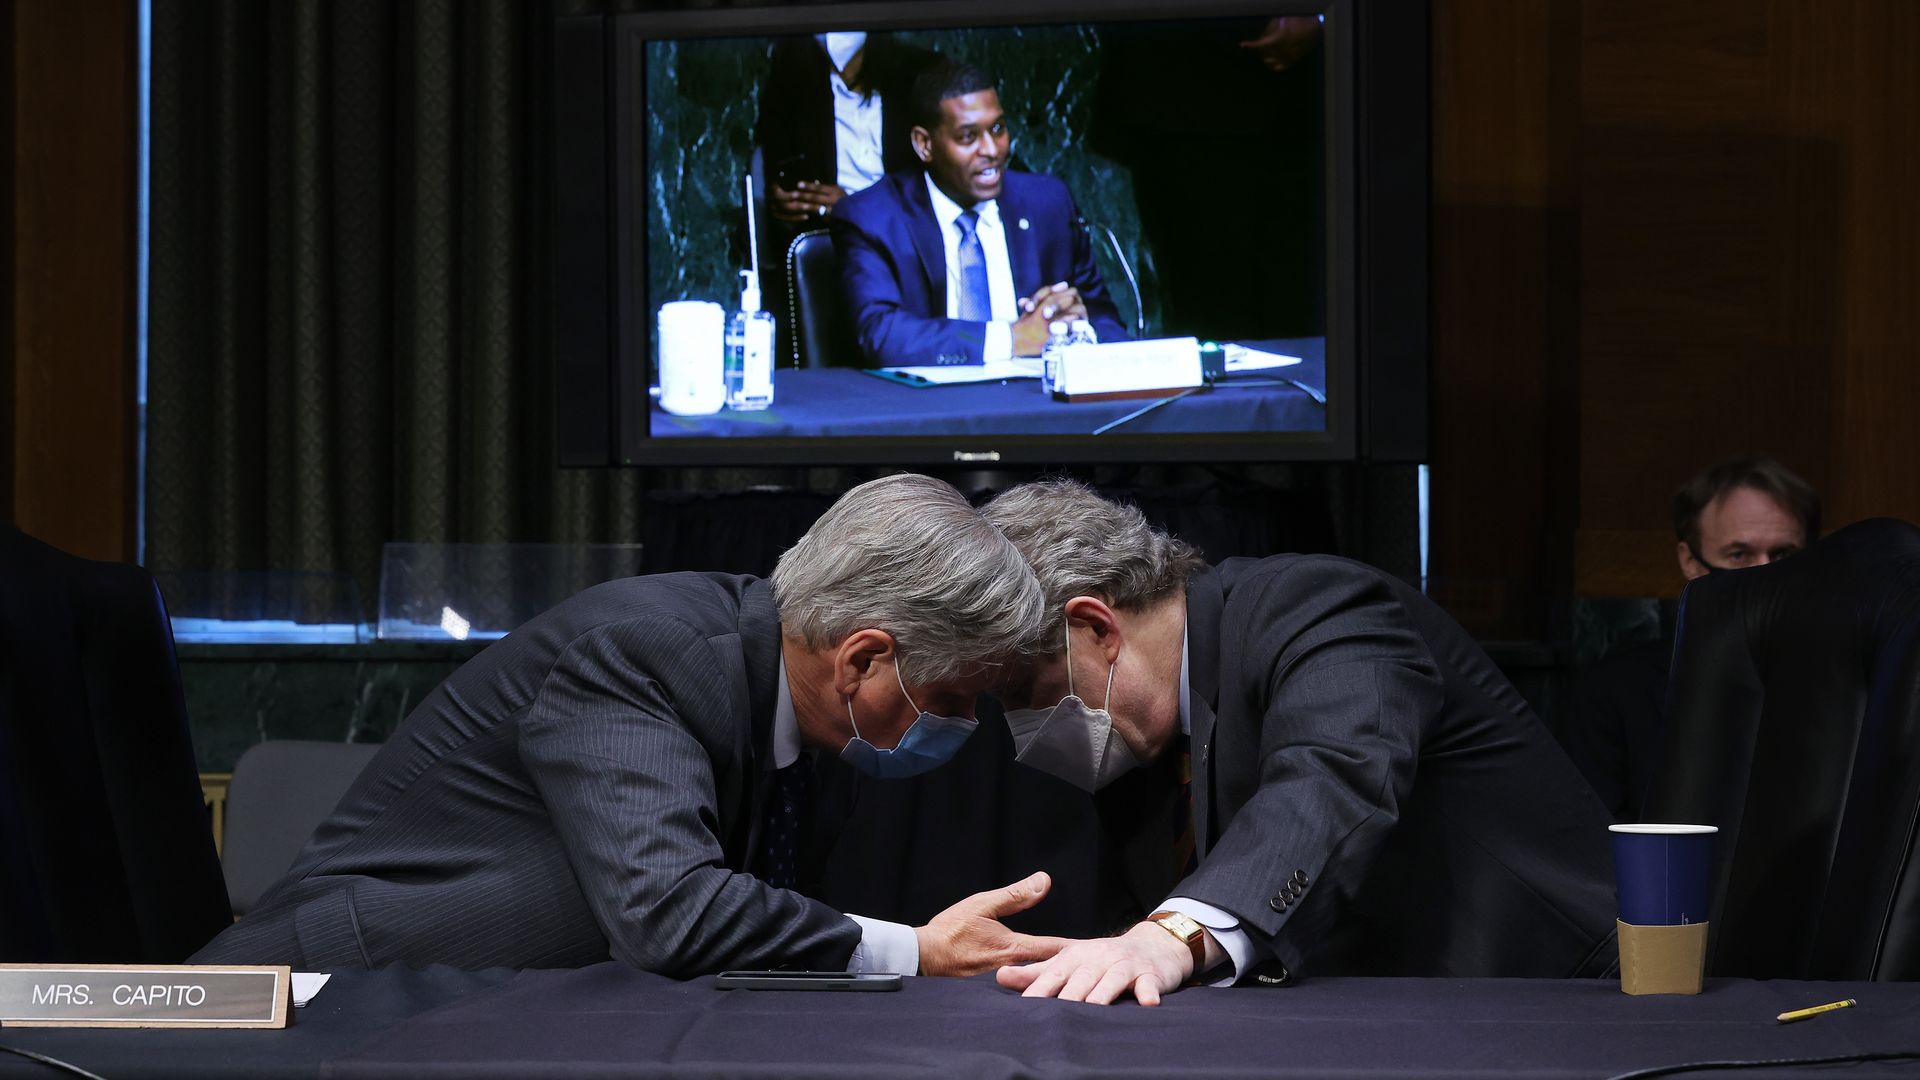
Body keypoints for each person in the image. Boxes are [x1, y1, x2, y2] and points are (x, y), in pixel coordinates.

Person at [193, 474, 1068, 978]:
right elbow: (671, 911)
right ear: (863, 659)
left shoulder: (805, 718)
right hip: (317, 1002)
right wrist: (912, 950)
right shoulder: (647, 654)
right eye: (953, 697)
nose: (960, 726)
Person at [979, 479, 1617, 1004]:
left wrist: (1168, 937)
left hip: (1555, 1000)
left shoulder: (1315, 606)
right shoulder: (1142, 734)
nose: (1021, 727)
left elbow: (1330, 781)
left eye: (1022, 690)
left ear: (1095, 626)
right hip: (1377, 1012)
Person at [1561, 455, 1819, 820]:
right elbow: (1590, 851)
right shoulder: (1616, 695)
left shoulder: (1846, 683)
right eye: (1739, 554)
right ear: (1690, 561)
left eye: (1782, 555)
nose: (1765, 576)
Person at [831, 60, 1127, 368]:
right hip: (928, 408)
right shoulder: (873, 218)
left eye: (997, 129)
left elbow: (1106, 321)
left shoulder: (1047, 202)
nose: (992, 149)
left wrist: (1074, 327)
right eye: (968, 136)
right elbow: (881, 335)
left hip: (1036, 400)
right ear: (924, 145)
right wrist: (1012, 339)